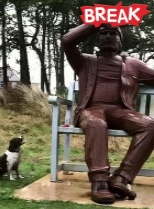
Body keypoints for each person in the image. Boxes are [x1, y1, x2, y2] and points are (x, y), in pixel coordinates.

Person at [62, 23, 154, 204]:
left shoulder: (133, 64)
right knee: (97, 122)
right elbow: (67, 41)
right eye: (104, 33)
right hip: (90, 111)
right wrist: (94, 23)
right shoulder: (84, 61)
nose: (109, 36)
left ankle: (122, 179)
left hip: (120, 112)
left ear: (120, 42)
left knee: (150, 125)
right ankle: (99, 182)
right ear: (97, 39)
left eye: (114, 33)